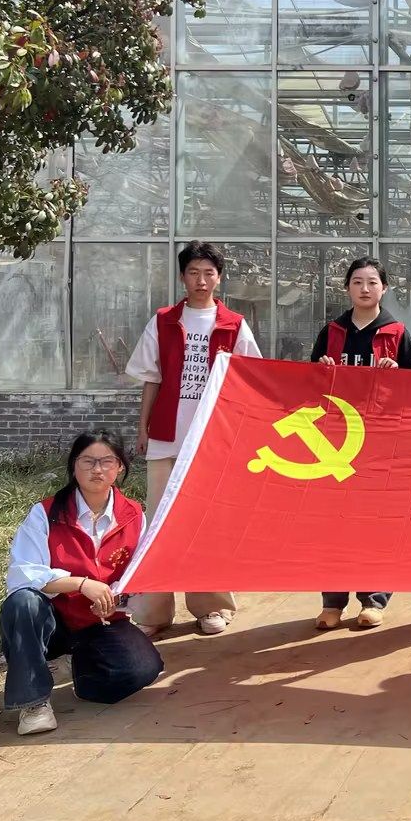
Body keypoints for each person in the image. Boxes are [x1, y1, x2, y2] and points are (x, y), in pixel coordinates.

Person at [126, 241, 261, 638]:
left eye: (208, 273)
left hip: (212, 440)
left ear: (219, 278)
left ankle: (212, 605)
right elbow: (152, 379)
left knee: (208, 522)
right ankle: (153, 610)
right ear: (182, 277)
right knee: (160, 522)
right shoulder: (163, 321)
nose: (201, 281)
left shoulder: (234, 324)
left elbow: (249, 379)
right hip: (167, 437)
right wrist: (143, 428)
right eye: (193, 273)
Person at [1, 432, 164, 736]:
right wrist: (81, 583)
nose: (97, 470)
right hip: (52, 619)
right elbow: (23, 574)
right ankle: (33, 702)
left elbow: (140, 573)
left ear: (120, 467)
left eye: (107, 462)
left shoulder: (133, 515)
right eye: (88, 461)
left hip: (101, 620)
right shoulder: (45, 513)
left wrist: (117, 598)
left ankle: (77, 668)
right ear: (74, 466)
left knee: (142, 670)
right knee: (22, 602)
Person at [307, 257, 411, 631]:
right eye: (357, 281)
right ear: (347, 288)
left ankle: (374, 598)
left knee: (375, 520)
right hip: (336, 440)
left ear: (384, 288)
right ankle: (332, 601)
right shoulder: (332, 332)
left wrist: (398, 374)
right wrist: (321, 370)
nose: (365, 288)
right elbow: (308, 383)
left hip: (379, 439)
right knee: (333, 521)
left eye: (372, 282)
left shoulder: (396, 332)